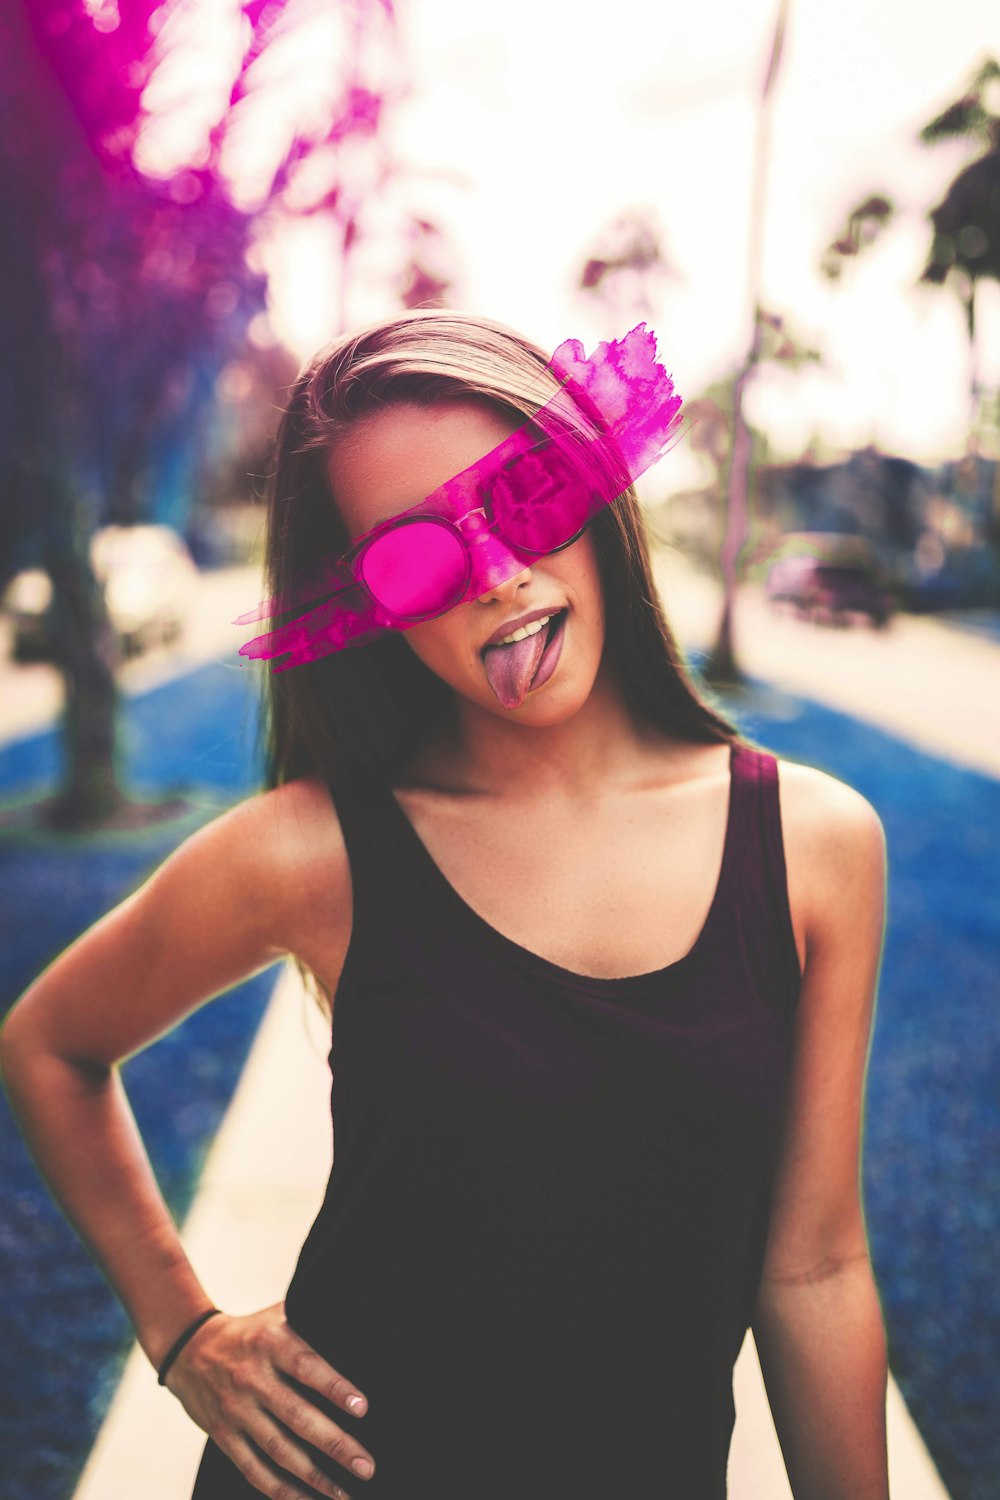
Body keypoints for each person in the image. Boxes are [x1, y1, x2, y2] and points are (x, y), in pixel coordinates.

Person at [0, 309, 892, 1499]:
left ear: (591, 490)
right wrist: (183, 1333)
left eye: (523, 499)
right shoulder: (309, 851)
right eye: (415, 556)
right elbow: (49, 1044)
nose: (496, 574)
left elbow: (816, 1270)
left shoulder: (813, 848)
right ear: (364, 604)